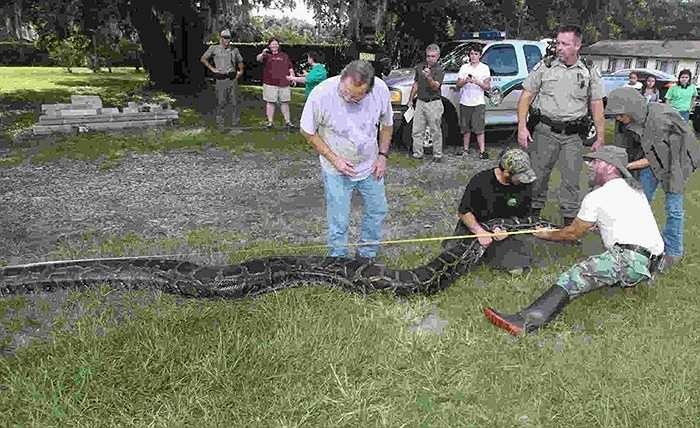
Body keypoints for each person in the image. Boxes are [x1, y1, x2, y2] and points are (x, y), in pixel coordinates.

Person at [484, 145, 665, 336]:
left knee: (576, 275)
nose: (590, 165)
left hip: (632, 260)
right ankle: (630, 291)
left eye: (595, 162)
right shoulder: (634, 190)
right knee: (616, 255)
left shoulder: (597, 196)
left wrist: (545, 234)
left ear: (610, 167)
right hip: (655, 260)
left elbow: (572, 234)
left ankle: (525, 322)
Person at [299, 60, 393, 260]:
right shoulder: (321, 94)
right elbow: (307, 131)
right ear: (342, 79)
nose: (348, 97)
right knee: (339, 219)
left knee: (377, 210)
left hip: (370, 165)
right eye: (345, 92)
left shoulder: (381, 91)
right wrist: (335, 160)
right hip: (336, 170)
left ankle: (366, 256)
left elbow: (387, 125)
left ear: (368, 91)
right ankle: (338, 261)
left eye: (356, 97)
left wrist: (382, 156)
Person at [517, 24, 606, 226]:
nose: (559, 47)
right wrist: (522, 126)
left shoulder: (589, 70)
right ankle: (531, 219)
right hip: (544, 131)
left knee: (571, 181)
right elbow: (525, 97)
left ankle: (569, 223)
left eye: (564, 44)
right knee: (537, 177)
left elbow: (596, 104)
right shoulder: (545, 66)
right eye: (558, 42)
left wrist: (600, 136)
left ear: (577, 45)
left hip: (574, 136)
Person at [606, 87, 700, 269]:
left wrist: (624, 166)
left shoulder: (658, 120)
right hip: (654, 158)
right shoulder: (632, 121)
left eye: (620, 115)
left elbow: (654, 158)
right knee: (639, 200)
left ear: (631, 108)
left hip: (676, 162)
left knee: (674, 209)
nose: (618, 119)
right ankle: (635, 241)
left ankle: (673, 251)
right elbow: (627, 150)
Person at [447, 148, 537, 271]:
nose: (523, 179)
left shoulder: (524, 185)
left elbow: (524, 215)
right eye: (519, 176)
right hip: (475, 226)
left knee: (517, 266)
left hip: (503, 228)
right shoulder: (480, 181)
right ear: (506, 173)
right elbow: (464, 212)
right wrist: (479, 232)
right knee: (454, 261)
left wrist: (506, 229)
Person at [200, 29, 245, 128]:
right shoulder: (214, 48)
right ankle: (220, 123)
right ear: (220, 38)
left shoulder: (234, 49)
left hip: (232, 79)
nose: (227, 40)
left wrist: (240, 71)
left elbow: (240, 61)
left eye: (228, 37)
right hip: (220, 79)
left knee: (234, 102)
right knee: (221, 102)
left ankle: (235, 123)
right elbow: (203, 58)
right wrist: (212, 69)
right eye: (224, 37)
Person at [409, 44, 444, 162]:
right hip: (420, 102)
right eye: (428, 56)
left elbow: (435, 87)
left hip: (433, 103)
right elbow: (416, 84)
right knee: (417, 130)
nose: (430, 58)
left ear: (438, 56)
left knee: (435, 130)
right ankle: (417, 153)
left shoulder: (439, 70)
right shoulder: (419, 67)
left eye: (433, 56)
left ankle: (437, 155)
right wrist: (410, 100)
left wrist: (429, 77)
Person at [456, 44, 491, 159]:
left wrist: (477, 82)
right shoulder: (464, 68)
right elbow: (458, 85)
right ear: (469, 55)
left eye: (476, 54)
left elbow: (487, 87)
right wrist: (466, 81)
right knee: (466, 129)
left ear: (480, 55)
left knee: (479, 129)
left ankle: (482, 151)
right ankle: (465, 149)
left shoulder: (484, 68)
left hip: (478, 103)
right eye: (471, 54)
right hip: (465, 101)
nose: (474, 56)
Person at [256, 37, 296, 129]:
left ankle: (288, 122)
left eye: (276, 44)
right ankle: (270, 122)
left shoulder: (284, 56)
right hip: (270, 83)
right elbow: (258, 59)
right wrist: (263, 53)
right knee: (270, 102)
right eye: (272, 44)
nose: (274, 45)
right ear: (269, 45)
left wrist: (293, 77)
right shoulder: (266, 56)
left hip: (284, 83)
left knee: (285, 102)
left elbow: (290, 68)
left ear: (278, 45)